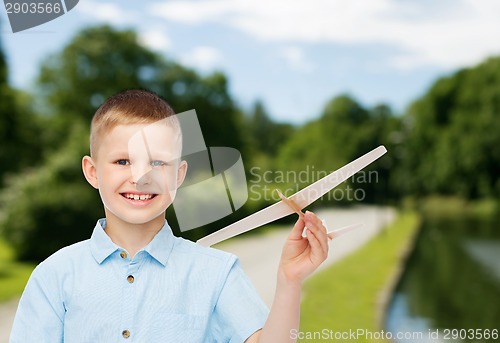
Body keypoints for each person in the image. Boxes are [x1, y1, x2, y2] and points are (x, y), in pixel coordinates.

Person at [10, 89, 330, 343]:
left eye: (158, 163)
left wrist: (290, 281)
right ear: (92, 172)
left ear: (179, 175)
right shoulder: (54, 275)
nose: (141, 176)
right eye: (123, 161)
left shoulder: (217, 273)